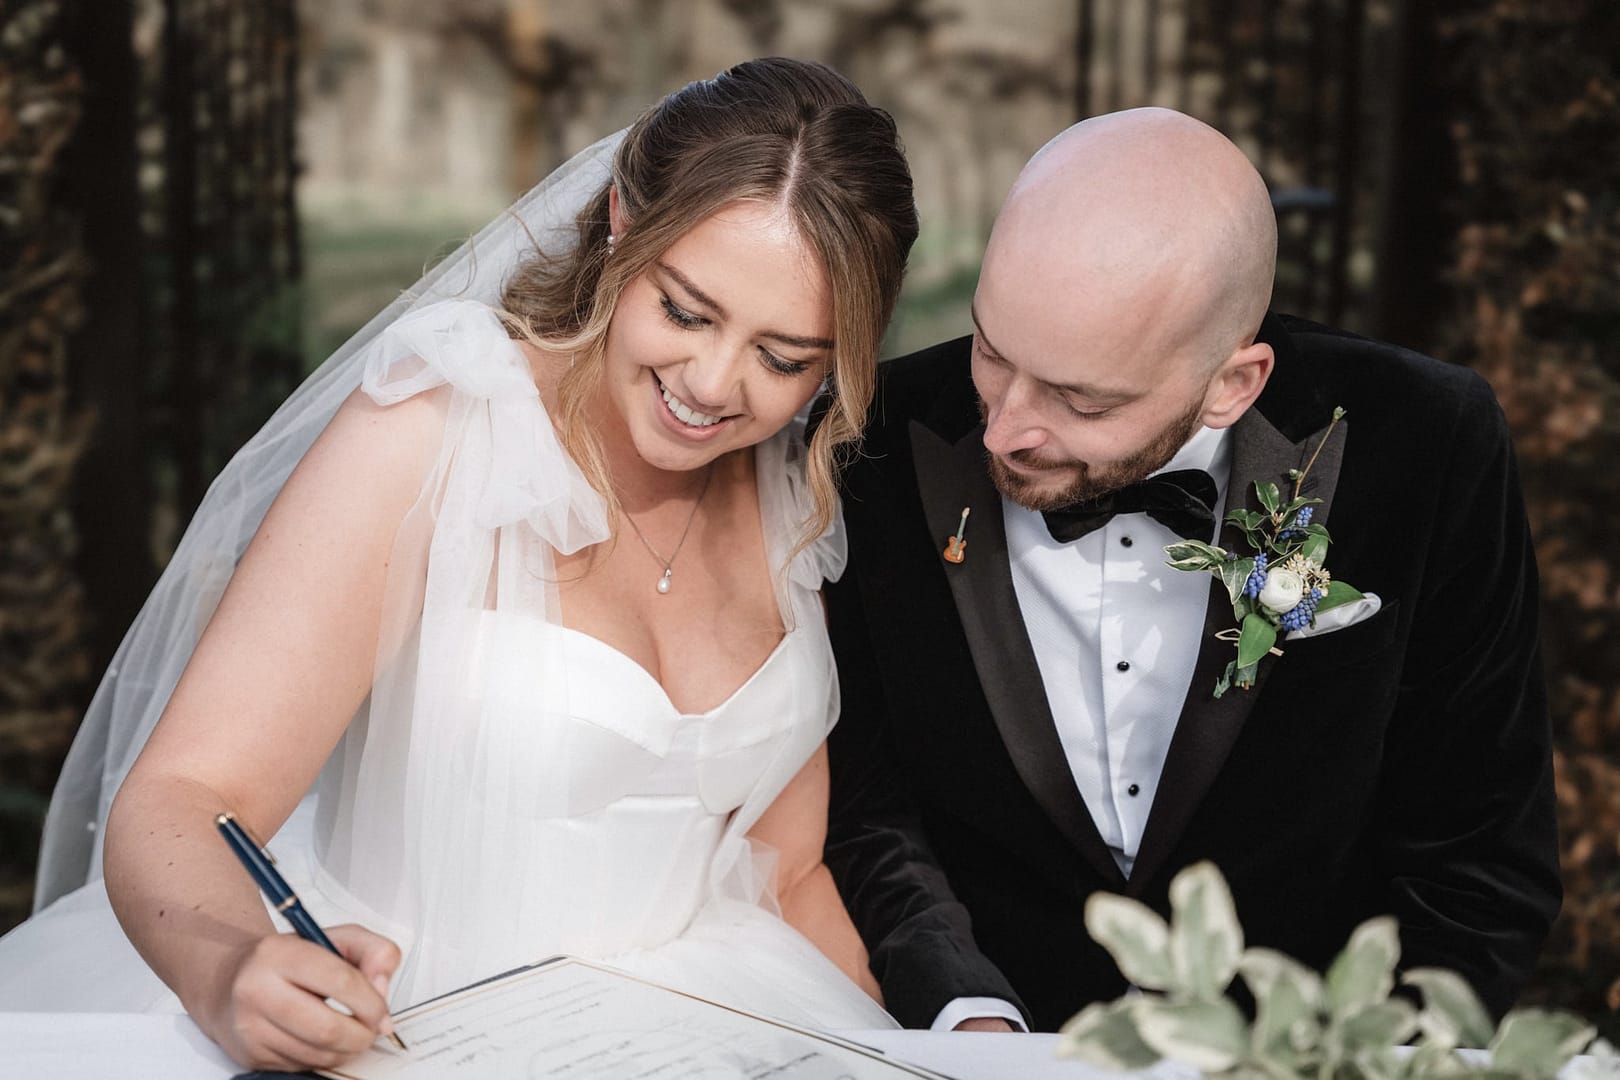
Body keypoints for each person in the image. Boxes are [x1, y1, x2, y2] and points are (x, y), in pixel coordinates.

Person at [0, 57, 918, 1071]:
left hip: (714, 1018)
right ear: (621, 222)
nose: (711, 385)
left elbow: (787, 879)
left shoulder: (787, 487)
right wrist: (233, 971)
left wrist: (883, 1047)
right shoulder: (437, 427)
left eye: (785, 358)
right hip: (409, 1016)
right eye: (686, 311)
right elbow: (182, 793)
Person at [821, 107, 1561, 1033]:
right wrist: (964, 1015)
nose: (1004, 428)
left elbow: (1480, 854)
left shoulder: (1431, 444)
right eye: (991, 351)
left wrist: (1368, 1054)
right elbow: (864, 807)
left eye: (1082, 400)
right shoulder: (869, 444)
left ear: (1232, 384)